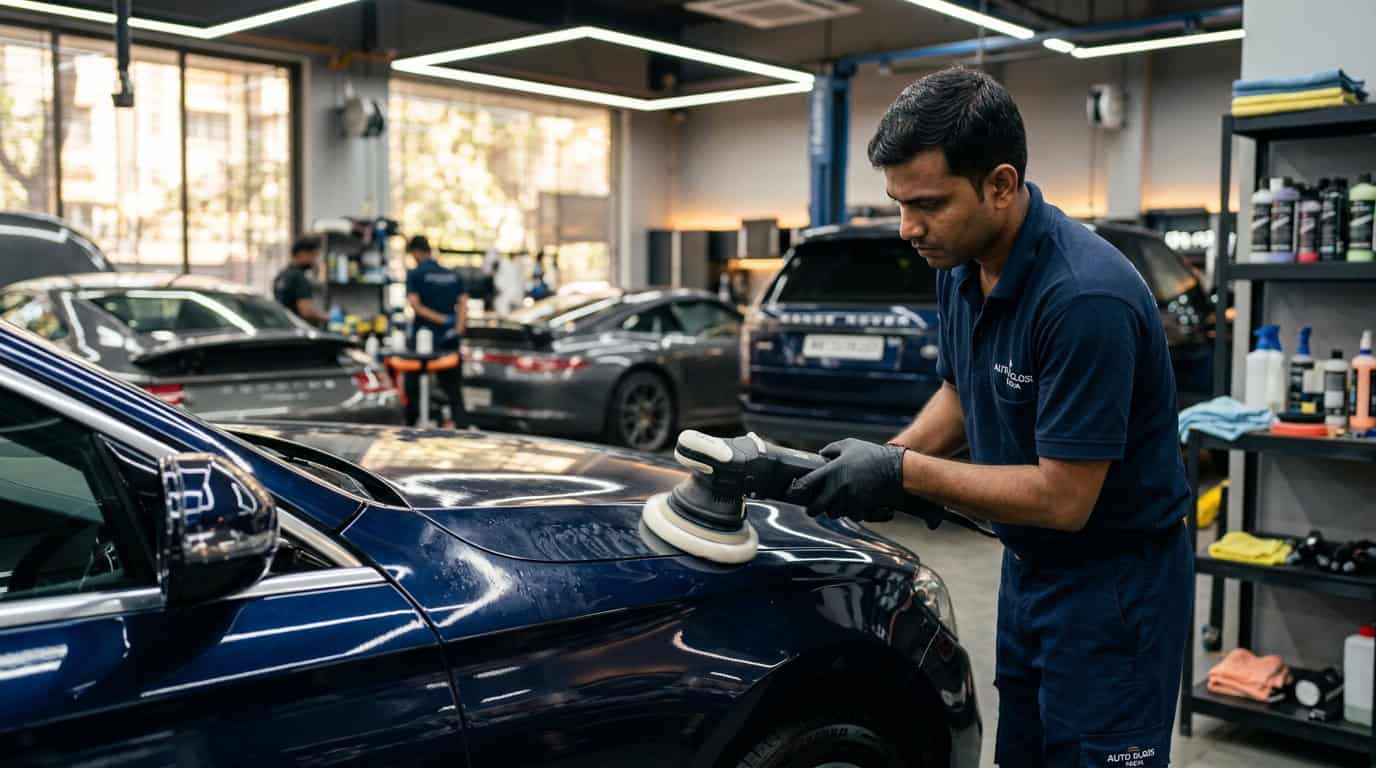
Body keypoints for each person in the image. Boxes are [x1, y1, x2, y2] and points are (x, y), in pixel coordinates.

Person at [787, 66, 1192, 768]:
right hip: (1031, 568)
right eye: (898, 204)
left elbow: (1065, 498)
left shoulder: (1083, 299)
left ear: (1000, 185)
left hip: (1115, 588)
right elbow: (961, 392)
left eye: (929, 204)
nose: (908, 228)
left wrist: (904, 472)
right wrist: (880, 464)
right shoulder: (961, 265)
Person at [403, 235, 468, 428]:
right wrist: (456, 327)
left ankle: (410, 429)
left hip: (422, 342)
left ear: (414, 252)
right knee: (454, 390)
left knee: (413, 388)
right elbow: (463, 303)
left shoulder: (415, 274)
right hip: (449, 341)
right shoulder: (452, 275)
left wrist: (440, 319)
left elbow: (415, 305)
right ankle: (462, 428)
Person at [273, 236, 329, 326]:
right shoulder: (298, 277)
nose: (314, 261)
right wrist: (327, 317)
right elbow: (306, 311)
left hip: (283, 328)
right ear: (302, 254)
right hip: (297, 331)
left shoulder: (281, 275)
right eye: (313, 256)